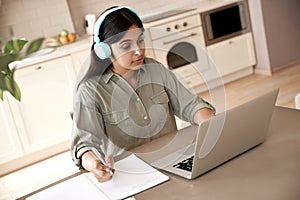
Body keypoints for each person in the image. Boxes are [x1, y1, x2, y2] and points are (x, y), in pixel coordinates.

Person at [71, 6, 215, 183]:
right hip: (130, 176)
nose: (138, 51)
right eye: (126, 46)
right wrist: (94, 164)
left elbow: (191, 105)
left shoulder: (156, 70)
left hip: (172, 162)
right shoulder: (90, 91)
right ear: (104, 50)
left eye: (140, 40)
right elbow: (84, 145)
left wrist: (211, 126)